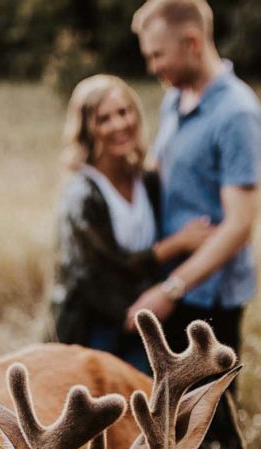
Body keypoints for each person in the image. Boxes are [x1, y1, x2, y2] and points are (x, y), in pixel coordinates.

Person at [128, 0, 261, 449]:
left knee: (213, 420)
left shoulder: (237, 114)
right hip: (171, 282)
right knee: (168, 420)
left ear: (191, 43)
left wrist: (171, 288)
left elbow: (238, 226)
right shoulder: (175, 100)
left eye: (158, 54)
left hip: (207, 296)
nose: (152, 66)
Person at [52, 74, 213, 373]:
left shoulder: (146, 180)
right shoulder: (83, 194)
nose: (118, 125)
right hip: (96, 329)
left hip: (146, 320)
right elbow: (105, 267)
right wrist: (175, 244)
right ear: (87, 127)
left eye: (124, 112)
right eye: (103, 119)